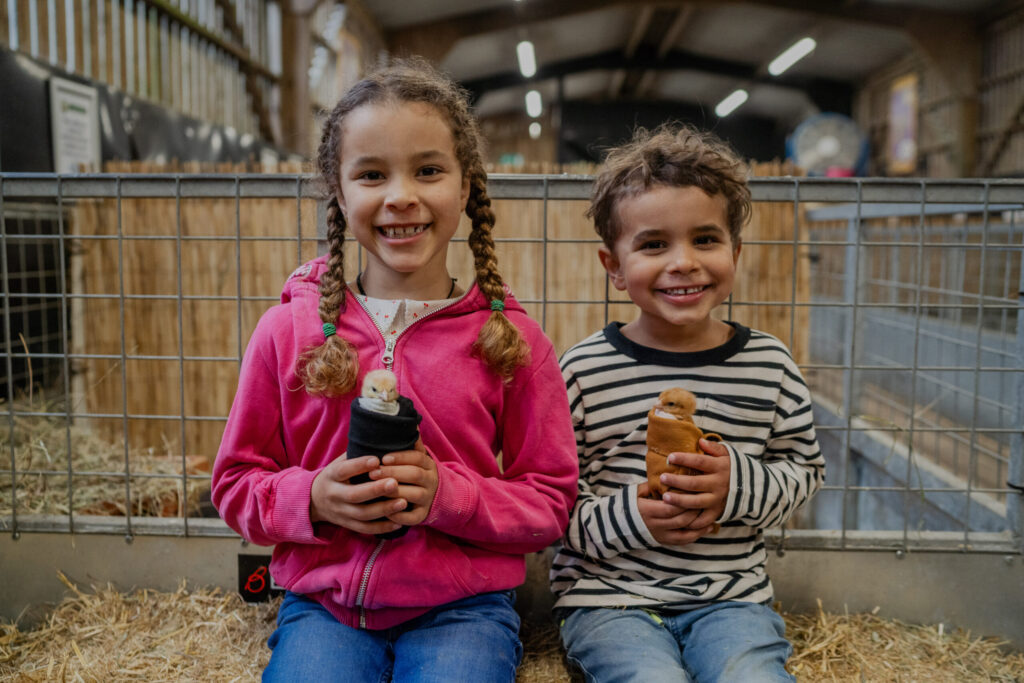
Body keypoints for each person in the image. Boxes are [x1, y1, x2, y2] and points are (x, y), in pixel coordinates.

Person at [212, 58, 578, 682]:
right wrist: (312, 499)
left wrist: (449, 498)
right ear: (339, 191)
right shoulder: (286, 332)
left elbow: (549, 499)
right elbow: (235, 483)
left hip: (464, 607)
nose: (401, 196)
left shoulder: (513, 344)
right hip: (326, 605)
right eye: (372, 174)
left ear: (465, 187)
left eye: (428, 170)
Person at [550, 124, 825, 682]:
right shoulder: (581, 371)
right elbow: (553, 505)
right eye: (654, 245)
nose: (684, 262)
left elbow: (804, 472)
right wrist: (633, 517)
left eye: (705, 240)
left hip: (732, 599)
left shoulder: (771, 365)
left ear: (735, 253)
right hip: (610, 597)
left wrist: (736, 485)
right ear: (614, 267)